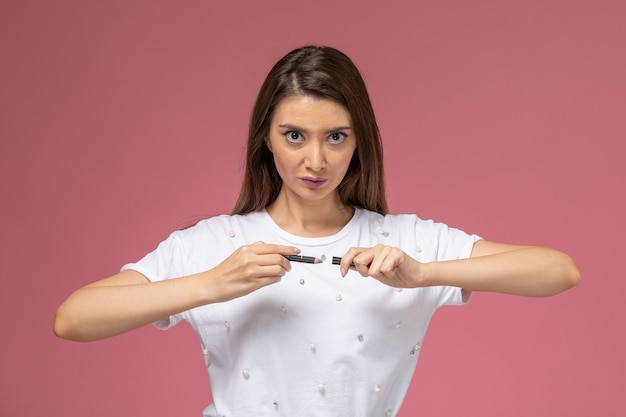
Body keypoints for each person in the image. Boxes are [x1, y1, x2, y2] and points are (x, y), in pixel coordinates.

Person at [54, 46, 581, 416]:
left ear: (359, 141)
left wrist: (424, 272)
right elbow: (73, 319)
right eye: (294, 135)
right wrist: (211, 283)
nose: (315, 160)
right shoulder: (212, 245)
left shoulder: (403, 242)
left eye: (335, 136)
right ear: (267, 140)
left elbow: (558, 270)